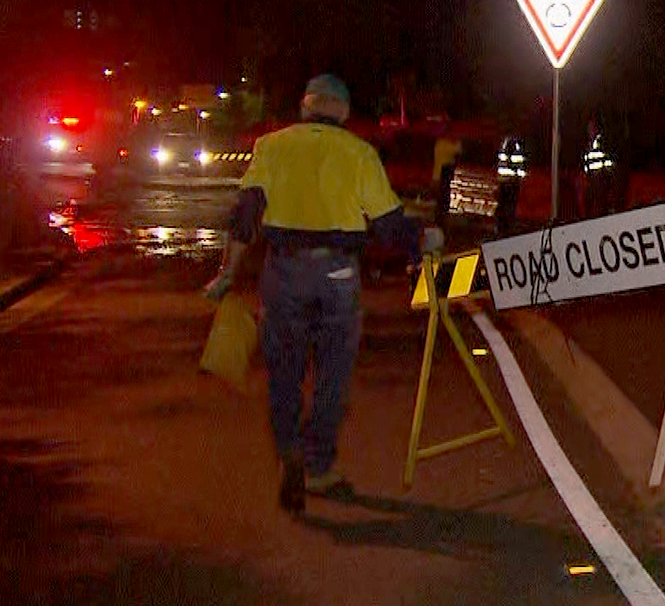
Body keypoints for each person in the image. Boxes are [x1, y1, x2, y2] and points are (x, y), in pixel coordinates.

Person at [204, 73, 438, 514]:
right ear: (344, 112)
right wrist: (424, 240)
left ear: (305, 106)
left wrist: (225, 275)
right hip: (336, 274)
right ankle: (318, 466)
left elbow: (244, 217)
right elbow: (389, 225)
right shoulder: (359, 154)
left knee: (284, 373)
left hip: (283, 272)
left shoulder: (271, 148)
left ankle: (289, 453)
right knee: (332, 373)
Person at [579, 117, 615, 219]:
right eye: (588, 128)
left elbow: (607, 160)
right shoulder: (588, 143)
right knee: (589, 201)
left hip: (601, 177)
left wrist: (606, 173)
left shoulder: (601, 141)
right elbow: (586, 161)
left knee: (601, 202)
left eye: (591, 128)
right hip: (591, 179)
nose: (589, 130)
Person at [494, 135, 526, 236]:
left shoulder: (504, 143)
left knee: (504, 205)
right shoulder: (514, 145)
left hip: (504, 181)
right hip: (511, 182)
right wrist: (520, 177)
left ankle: (501, 227)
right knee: (509, 206)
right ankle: (506, 227)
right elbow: (515, 164)